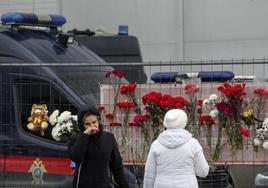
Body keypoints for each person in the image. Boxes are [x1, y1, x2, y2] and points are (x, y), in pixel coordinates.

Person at [143, 109, 209, 188]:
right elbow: (203, 172)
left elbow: (149, 174)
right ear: (184, 122)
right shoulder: (193, 143)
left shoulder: (156, 144)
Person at [68, 106, 129, 188]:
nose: (92, 126)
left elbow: (117, 166)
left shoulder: (108, 137)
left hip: (105, 184)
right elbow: (76, 157)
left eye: (94, 122)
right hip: (83, 184)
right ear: (82, 125)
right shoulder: (76, 139)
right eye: (87, 124)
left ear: (99, 121)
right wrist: (85, 135)